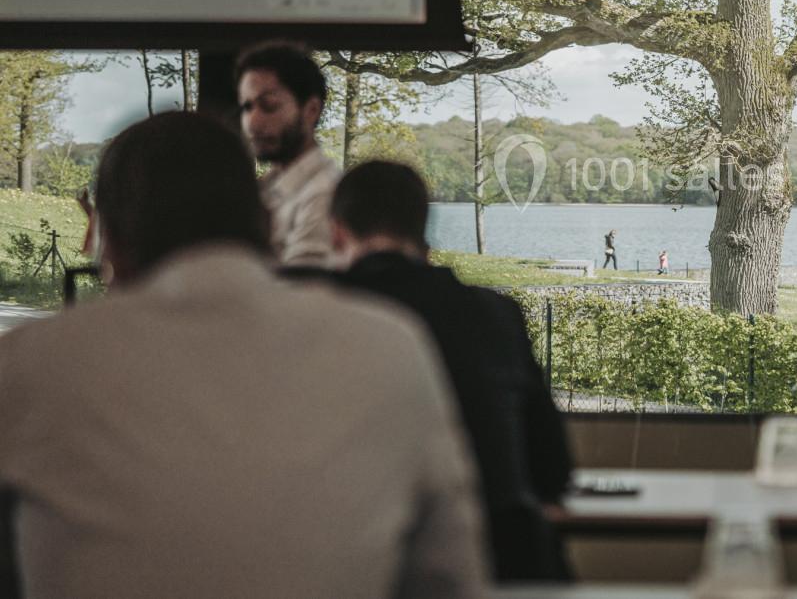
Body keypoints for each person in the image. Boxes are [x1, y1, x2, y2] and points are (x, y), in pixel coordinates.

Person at [0, 113, 488, 599]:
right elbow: (450, 578)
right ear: (268, 223)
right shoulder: (390, 347)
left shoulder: (33, 362)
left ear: (111, 243)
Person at [330, 161, 574, 582]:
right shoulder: (496, 315)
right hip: (505, 564)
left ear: (336, 233)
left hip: (368, 566)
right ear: (423, 233)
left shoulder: (323, 316)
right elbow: (552, 469)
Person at [236, 40, 340, 267]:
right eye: (247, 107)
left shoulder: (325, 193)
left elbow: (302, 290)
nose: (252, 122)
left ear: (311, 110)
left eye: (269, 105)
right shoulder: (263, 188)